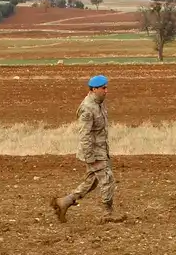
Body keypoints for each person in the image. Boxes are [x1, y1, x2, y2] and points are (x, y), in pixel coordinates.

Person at [51, 74, 126, 223]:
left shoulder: (100, 103)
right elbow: (84, 135)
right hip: (93, 152)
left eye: (106, 87)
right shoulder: (87, 108)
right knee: (107, 179)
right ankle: (108, 212)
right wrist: (90, 157)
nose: (106, 91)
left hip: (101, 150)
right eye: (103, 88)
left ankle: (65, 201)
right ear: (94, 89)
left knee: (92, 182)